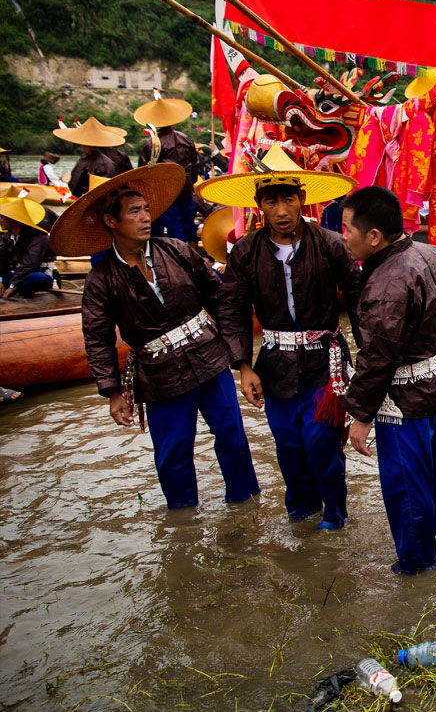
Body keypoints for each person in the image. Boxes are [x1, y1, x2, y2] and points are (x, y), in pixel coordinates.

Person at [50, 164, 258, 509]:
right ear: (111, 222)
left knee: (232, 434)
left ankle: (246, 503)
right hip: (160, 374)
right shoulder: (102, 280)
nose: (146, 217)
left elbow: (219, 299)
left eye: (146, 209)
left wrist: (241, 359)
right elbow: (97, 338)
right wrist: (113, 392)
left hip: (210, 357)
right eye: (135, 212)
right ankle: (183, 519)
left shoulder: (176, 249)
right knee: (173, 452)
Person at [206, 147, 362, 529]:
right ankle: (301, 511)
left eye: (288, 199)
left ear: (302, 200)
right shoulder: (244, 252)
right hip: (274, 366)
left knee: (321, 442)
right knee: (289, 447)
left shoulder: (331, 244)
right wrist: (244, 367)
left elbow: (360, 300)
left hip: (325, 365)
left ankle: (335, 516)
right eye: (271, 201)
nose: (281, 210)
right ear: (259, 205)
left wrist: (371, 361)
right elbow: (233, 309)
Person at [340, 186, 436, 575]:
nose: (342, 236)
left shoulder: (385, 286)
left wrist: (359, 416)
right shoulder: (433, 252)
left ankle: (415, 565)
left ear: (374, 236)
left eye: (347, 228)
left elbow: (377, 357)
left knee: (406, 485)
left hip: (404, 398)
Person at [135, 93, 200, 242]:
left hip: (164, 191)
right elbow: (196, 164)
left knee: (173, 224)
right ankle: (193, 253)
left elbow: (144, 171)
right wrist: (190, 182)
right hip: (185, 188)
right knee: (188, 221)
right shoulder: (186, 139)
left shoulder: (152, 143)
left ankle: (179, 255)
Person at [55, 117, 133, 197]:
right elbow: (130, 177)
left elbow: (75, 185)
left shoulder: (85, 161)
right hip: (115, 196)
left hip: (92, 199)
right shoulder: (111, 159)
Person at [0, 194, 56, 298]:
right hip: (17, 275)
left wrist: (12, 287)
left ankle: (17, 294)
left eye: (2, 217)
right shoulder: (6, 236)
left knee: (35, 278)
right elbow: (2, 259)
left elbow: (30, 264)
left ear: (14, 219)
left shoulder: (39, 237)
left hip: (37, 274)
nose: (0, 220)